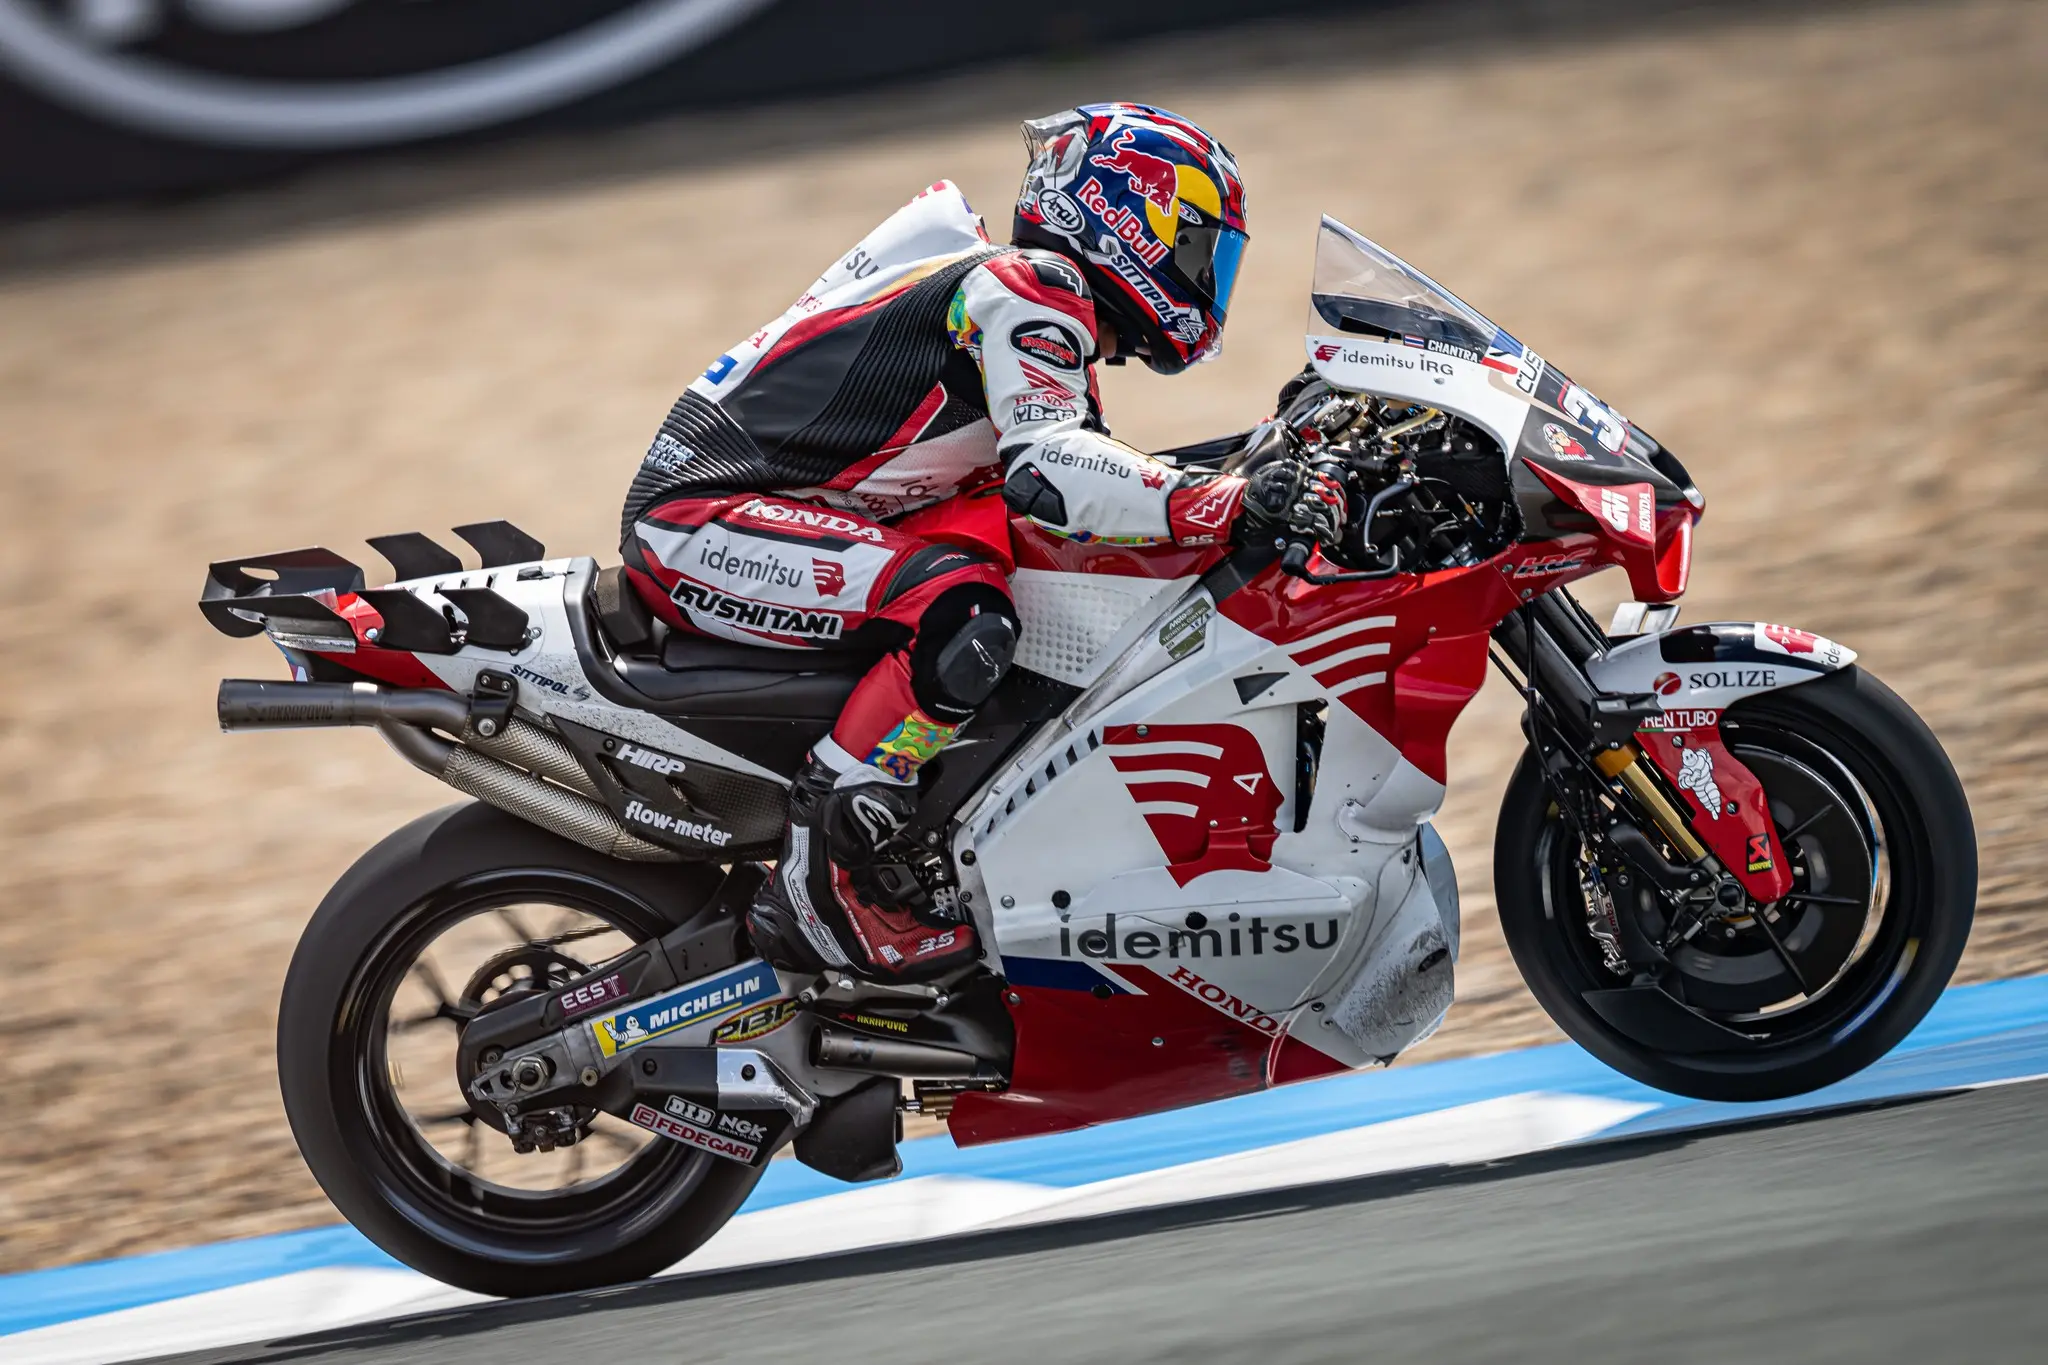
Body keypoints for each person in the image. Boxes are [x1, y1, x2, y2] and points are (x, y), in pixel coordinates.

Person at [619, 102, 1345, 980]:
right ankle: (823, 867)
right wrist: (1223, 502)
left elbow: (1092, 480)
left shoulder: (1033, 299)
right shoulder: (1032, 286)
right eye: (1195, 250)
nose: (1204, 279)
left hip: (783, 505)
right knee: (962, 612)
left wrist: (1259, 454)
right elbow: (1053, 471)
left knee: (1024, 567)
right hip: (699, 521)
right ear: (1124, 217)